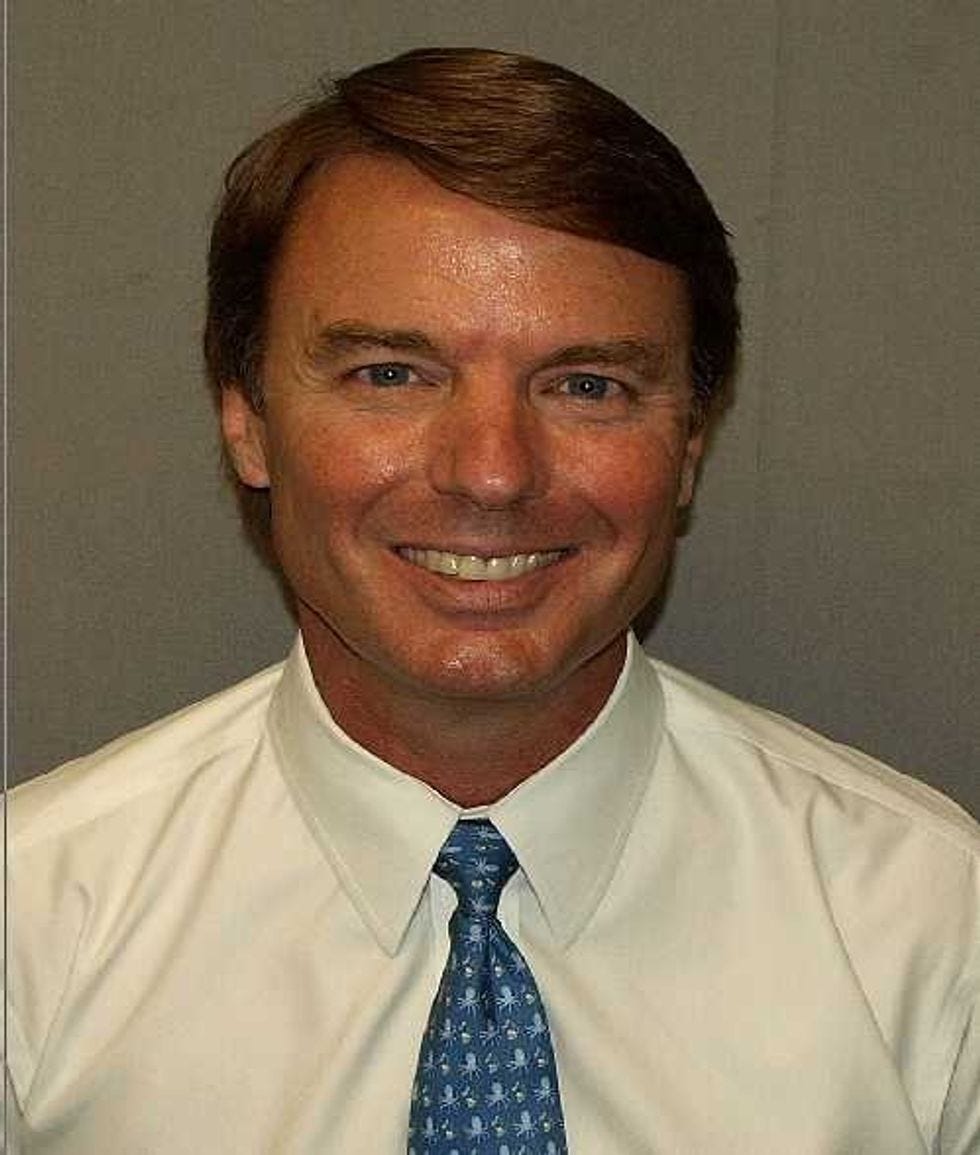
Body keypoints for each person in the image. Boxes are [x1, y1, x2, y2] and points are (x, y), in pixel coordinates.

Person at [7, 47, 978, 1155]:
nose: (492, 472)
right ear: (248, 420)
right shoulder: (33, 923)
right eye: (390, 374)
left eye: (586, 385)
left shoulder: (929, 929)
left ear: (688, 446)